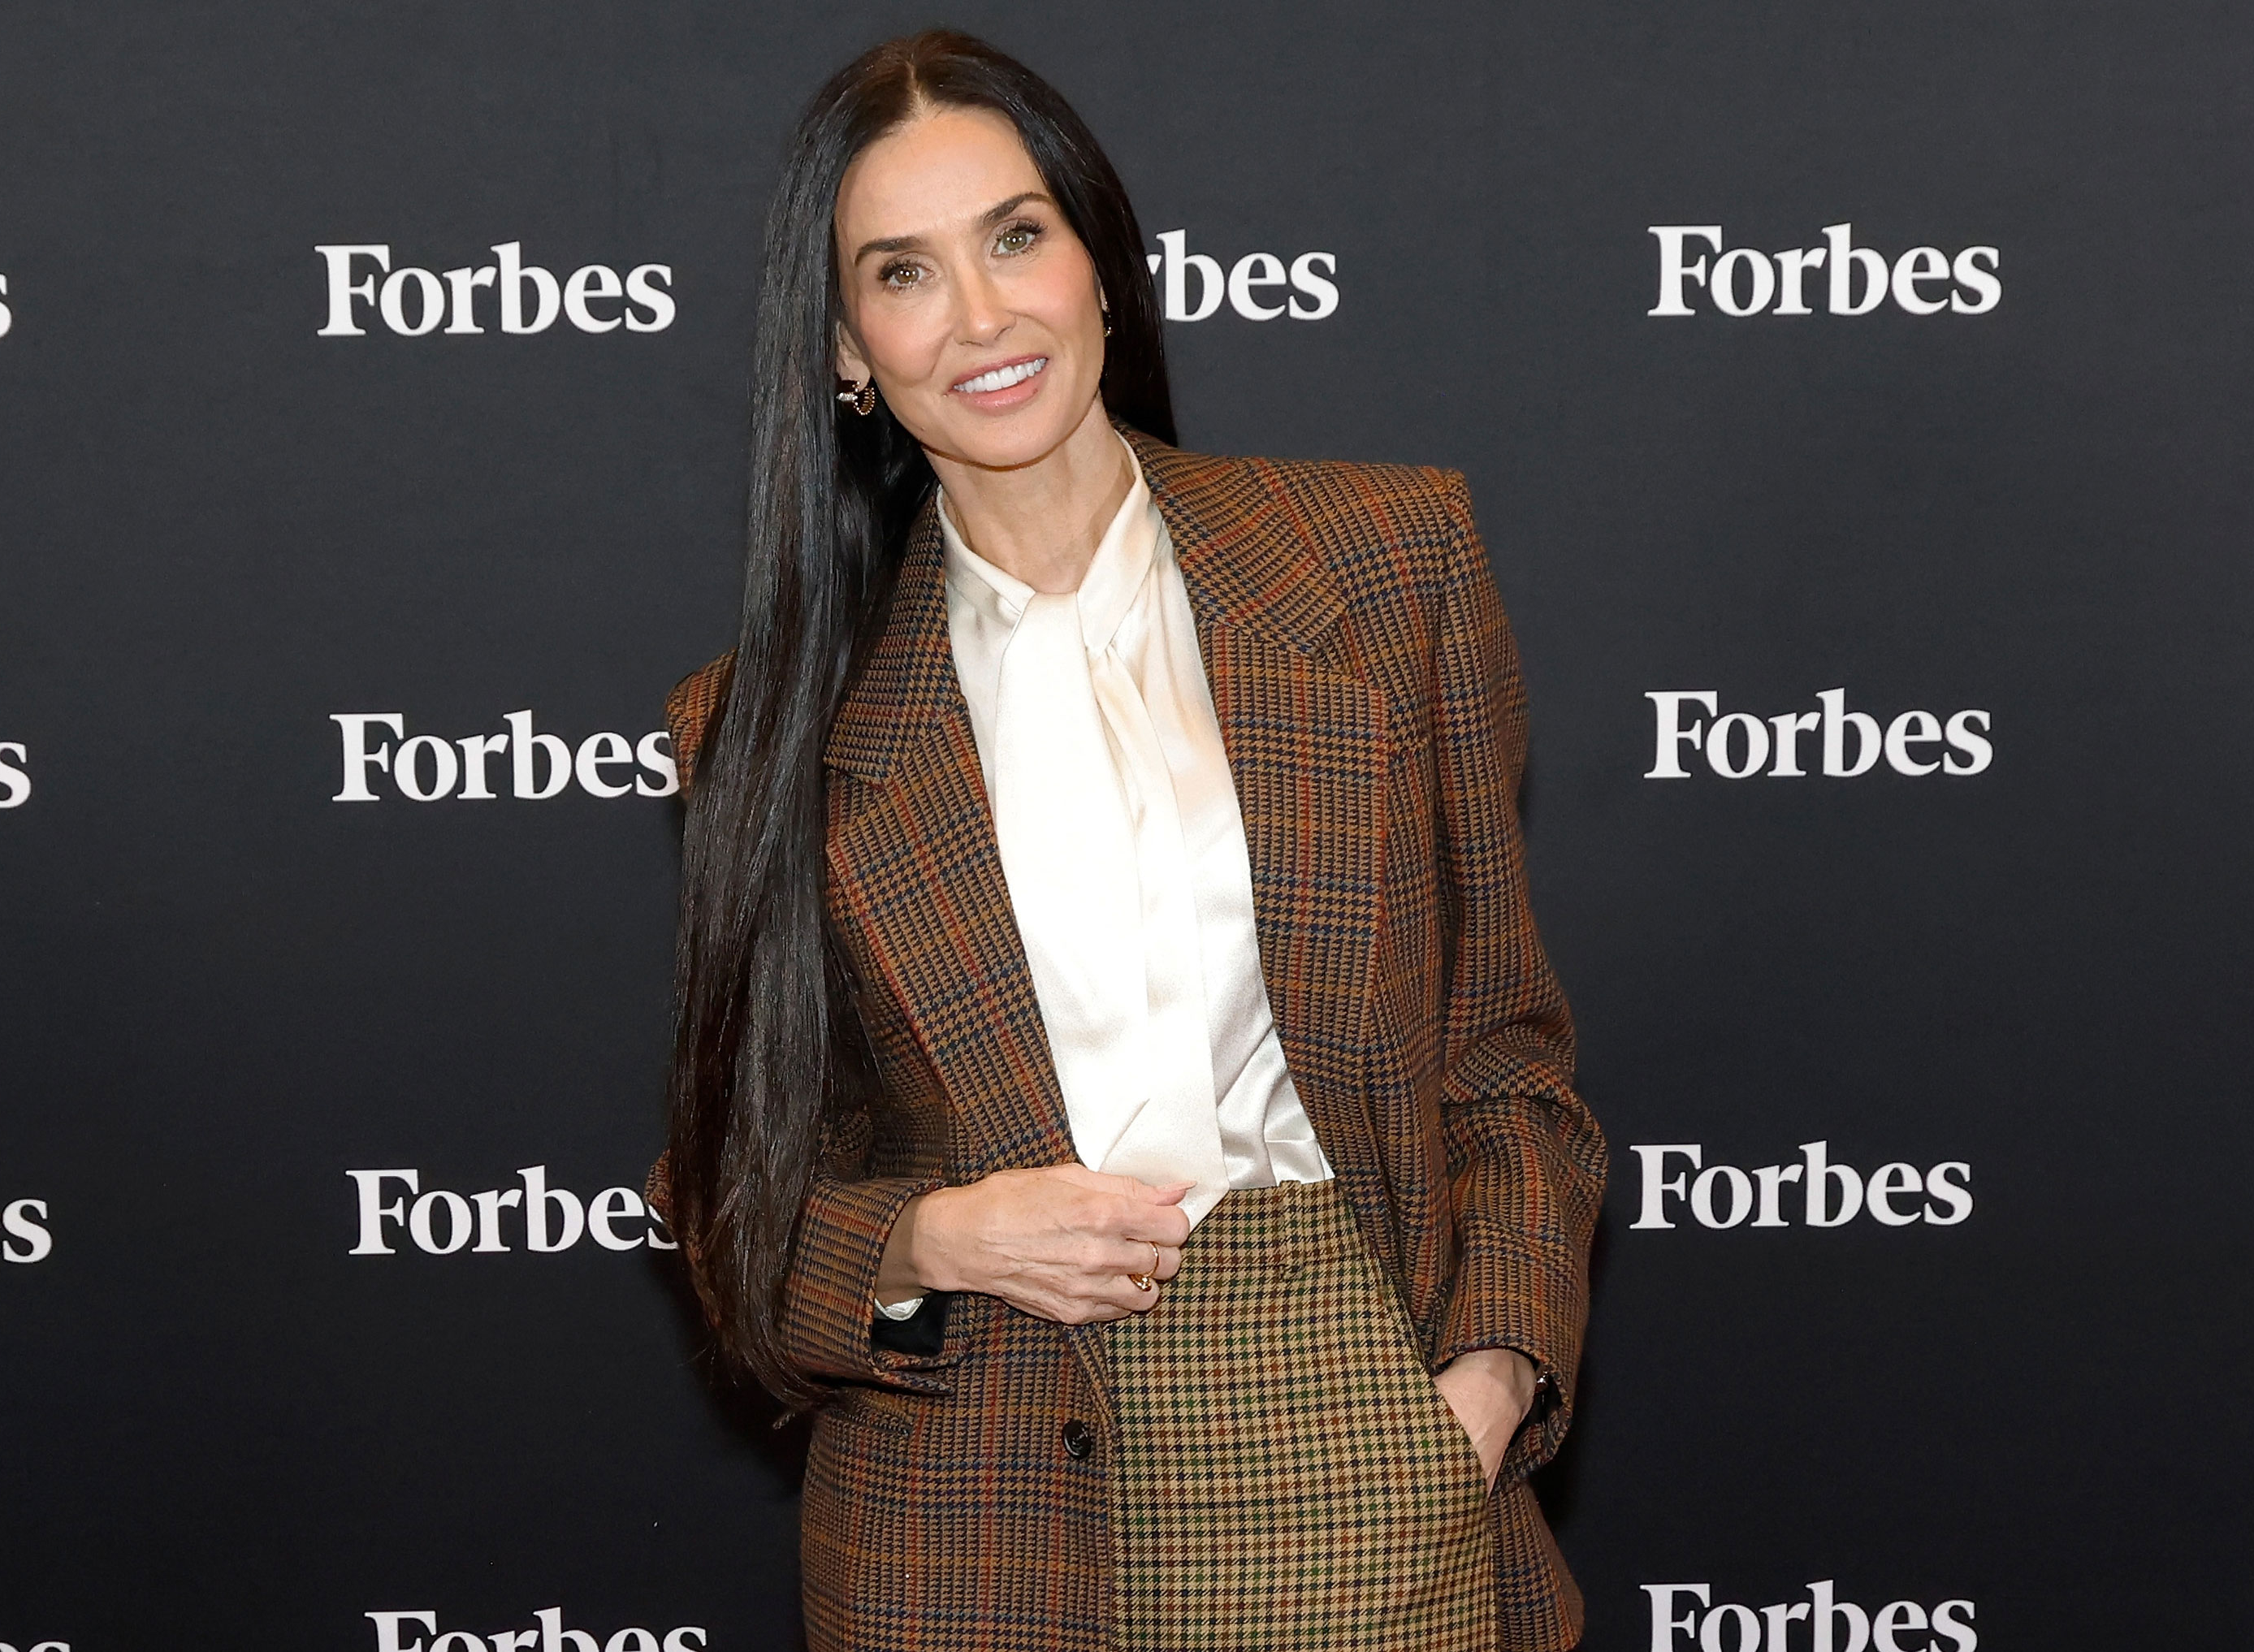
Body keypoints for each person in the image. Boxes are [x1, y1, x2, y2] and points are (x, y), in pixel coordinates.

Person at [648, 29, 1604, 1652]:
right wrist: (927, 1236)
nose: (982, 316)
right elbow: (722, 1194)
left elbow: (1503, 1059)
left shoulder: (1385, 567)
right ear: (844, 357)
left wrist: (1484, 1388)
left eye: (1017, 236)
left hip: (1360, 1416)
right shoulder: (761, 725)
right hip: (976, 1494)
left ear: (1100, 263)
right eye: (904, 273)